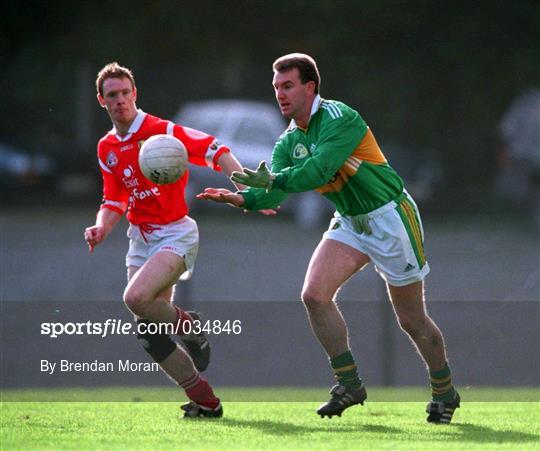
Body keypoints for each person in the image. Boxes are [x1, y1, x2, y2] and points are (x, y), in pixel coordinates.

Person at [198, 53, 460, 423]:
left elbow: (318, 169)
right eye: (276, 88)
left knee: (411, 320)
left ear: (310, 87)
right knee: (314, 295)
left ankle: (444, 391)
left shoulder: (341, 118)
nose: (280, 95)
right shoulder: (288, 140)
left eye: (287, 86)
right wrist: (241, 198)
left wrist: (272, 180)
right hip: (350, 221)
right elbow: (274, 194)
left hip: (390, 217)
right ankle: (349, 384)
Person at [84, 62, 263, 418]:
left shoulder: (161, 132)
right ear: (102, 102)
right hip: (140, 238)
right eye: (111, 96)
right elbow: (114, 199)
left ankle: (189, 325)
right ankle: (206, 402)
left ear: (135, 94)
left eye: (124, 93)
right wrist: (101, 227)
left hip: (175, 233)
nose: (119, 100)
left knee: (135, 297)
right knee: (150, 333)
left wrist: (246, 191)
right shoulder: (107, 148)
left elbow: (215, 149)